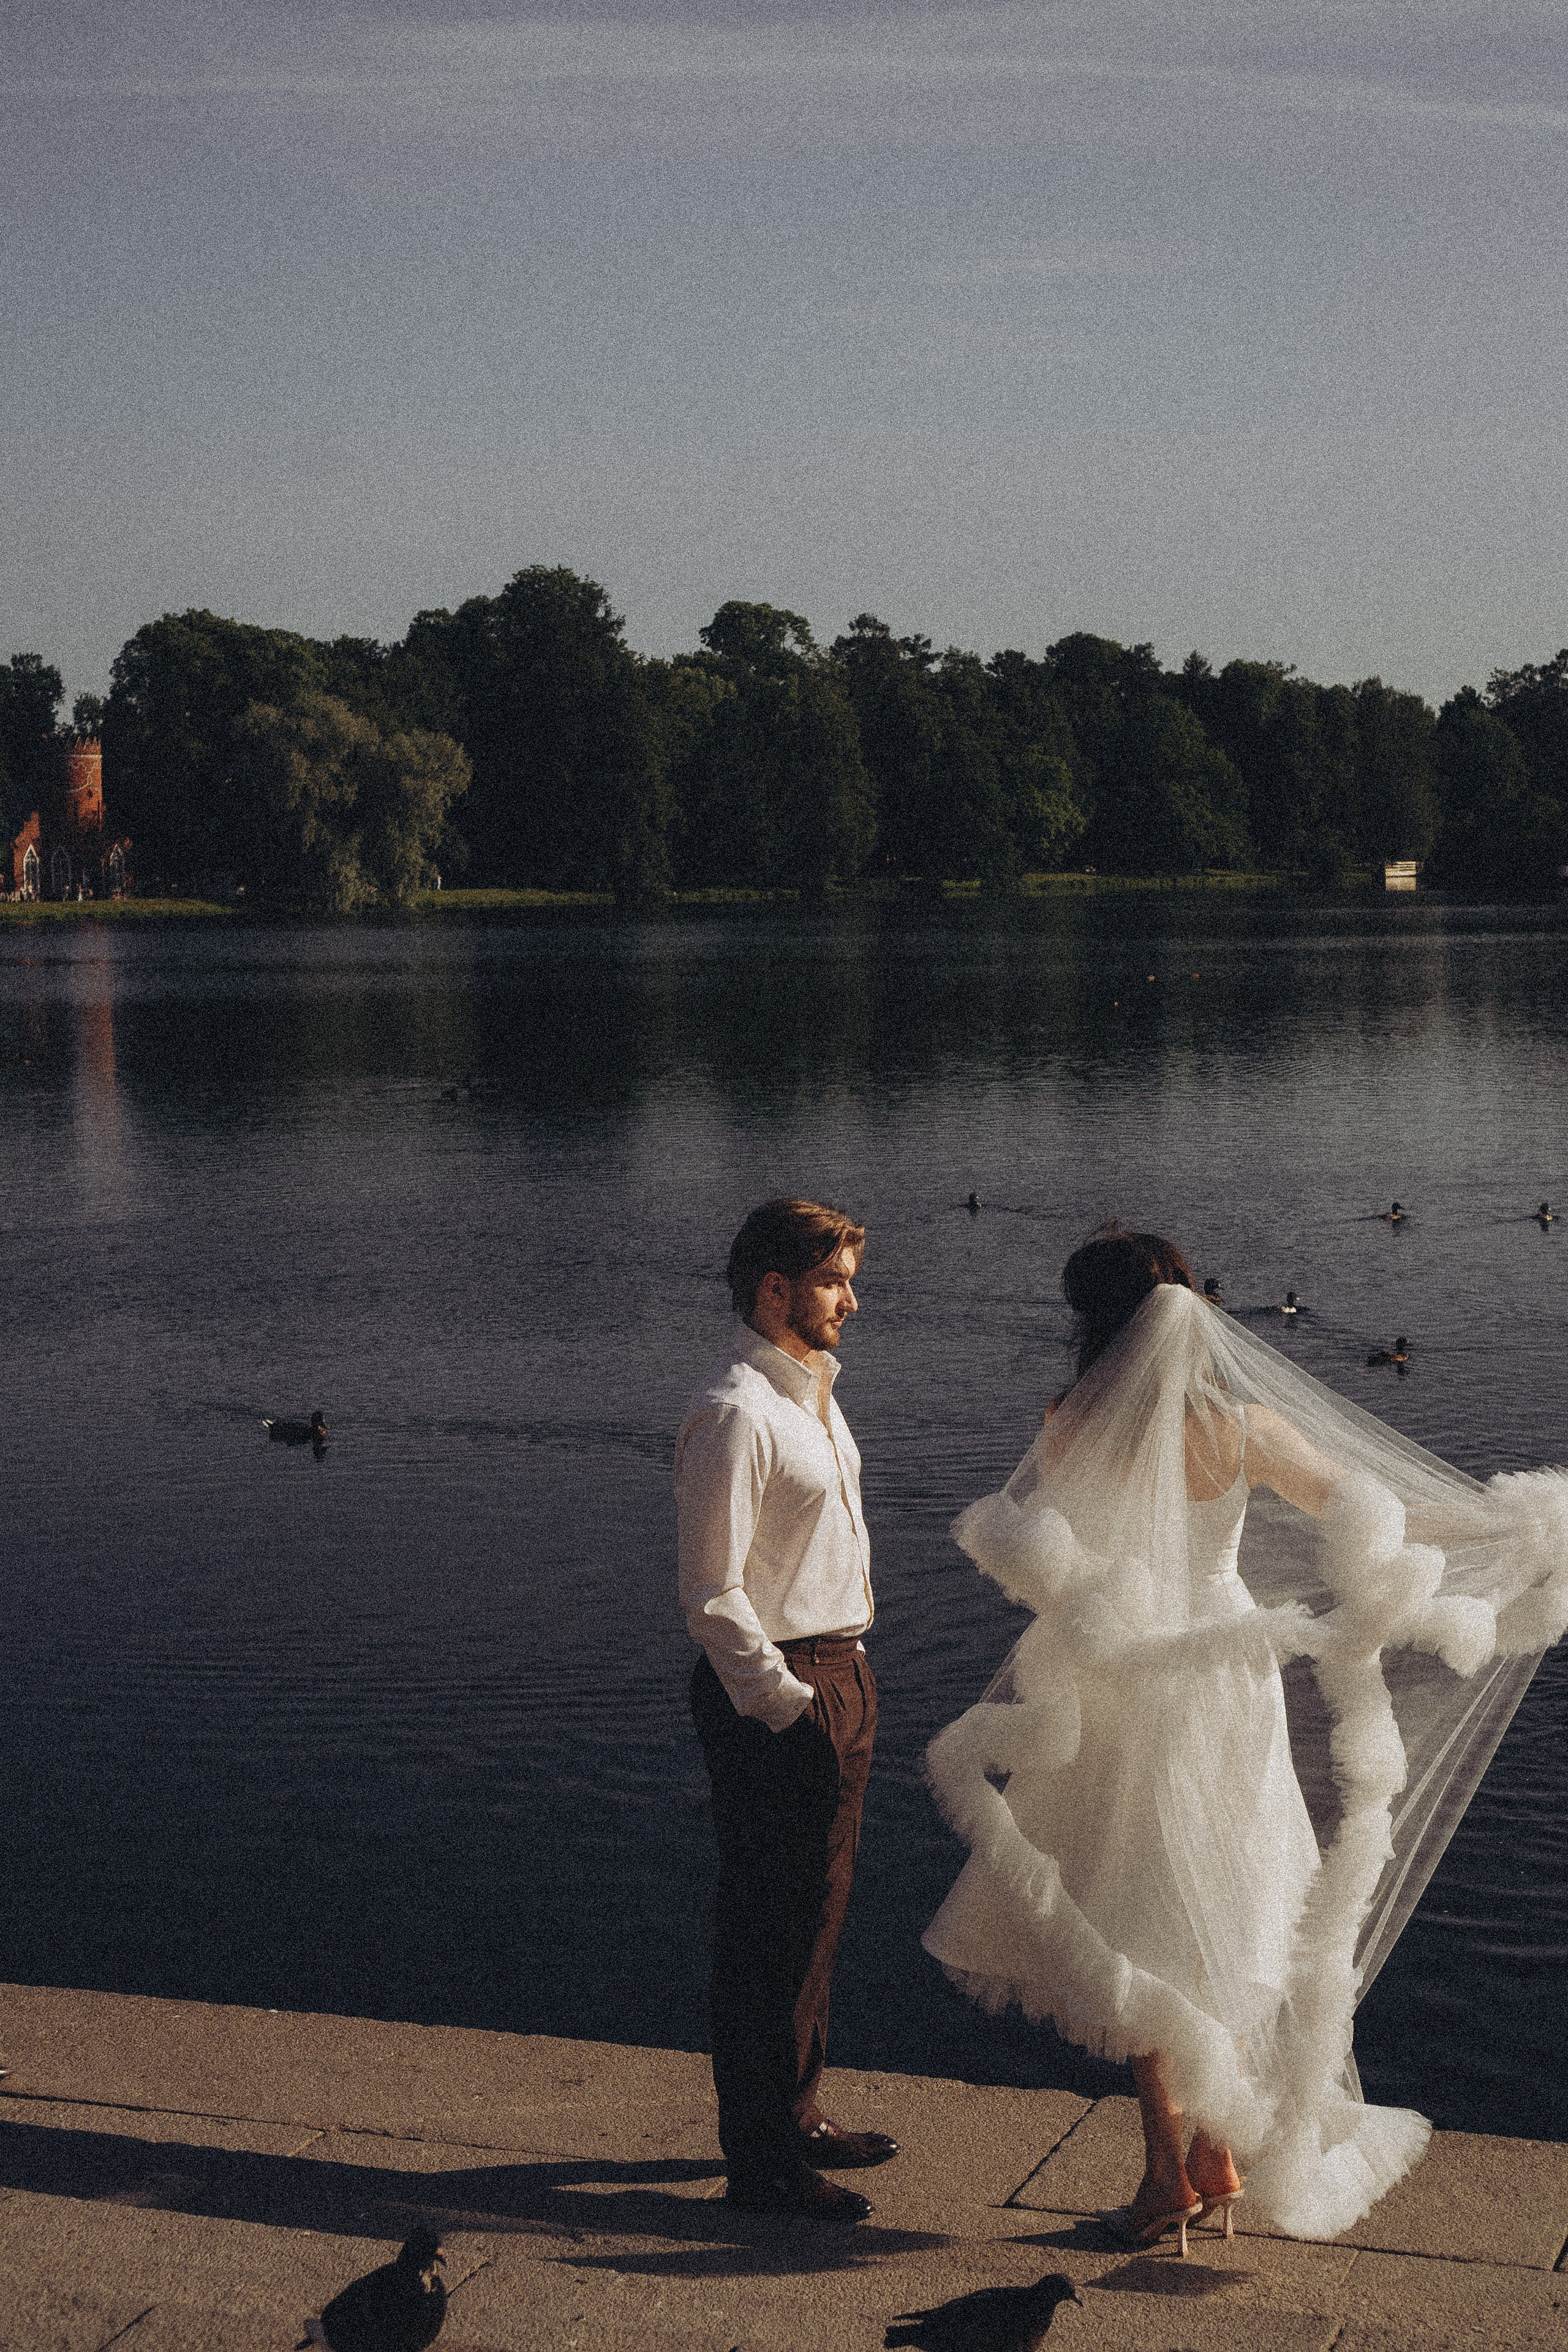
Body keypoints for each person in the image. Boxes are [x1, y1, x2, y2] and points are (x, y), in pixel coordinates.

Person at [923, 1229, 1568, 2245]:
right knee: (1231, 1906)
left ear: (1090, 1320)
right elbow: (1381, 1515)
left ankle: (1166, 2173)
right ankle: (1216, 2151)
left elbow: (1057, 1563)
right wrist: (1512, 1524)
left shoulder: (1067, 1428)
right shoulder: (1240, 1429)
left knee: (1133, 1916)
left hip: (1121, 1676)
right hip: (1227, 1677)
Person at [677, 1197, 898, 2223]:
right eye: (833, 1282)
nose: (852, 1301)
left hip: (839, 1672)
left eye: (850, 1280)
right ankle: (760, 2164)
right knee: (767, 1927)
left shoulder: (811, 1395)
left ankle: (795, 2115)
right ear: (775, 1289)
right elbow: (712, 1594)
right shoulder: (736, 1413)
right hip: (778, 1691)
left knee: (817, 1914)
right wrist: (787, 1706)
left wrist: (841, 1685)